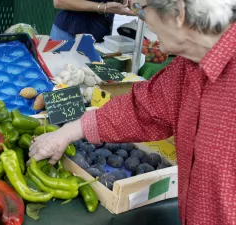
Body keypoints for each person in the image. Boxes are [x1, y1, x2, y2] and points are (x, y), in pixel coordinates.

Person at [30, 0, 236, 224]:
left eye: (140, 8)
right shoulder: (187, 68)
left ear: (179, 12)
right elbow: (142, 109)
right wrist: (67, 133)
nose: (140, 19)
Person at [51, 0, 135, 42]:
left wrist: (138, 8)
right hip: (70, 34)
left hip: (100, 37)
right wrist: (103, 7)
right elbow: (59, 2)